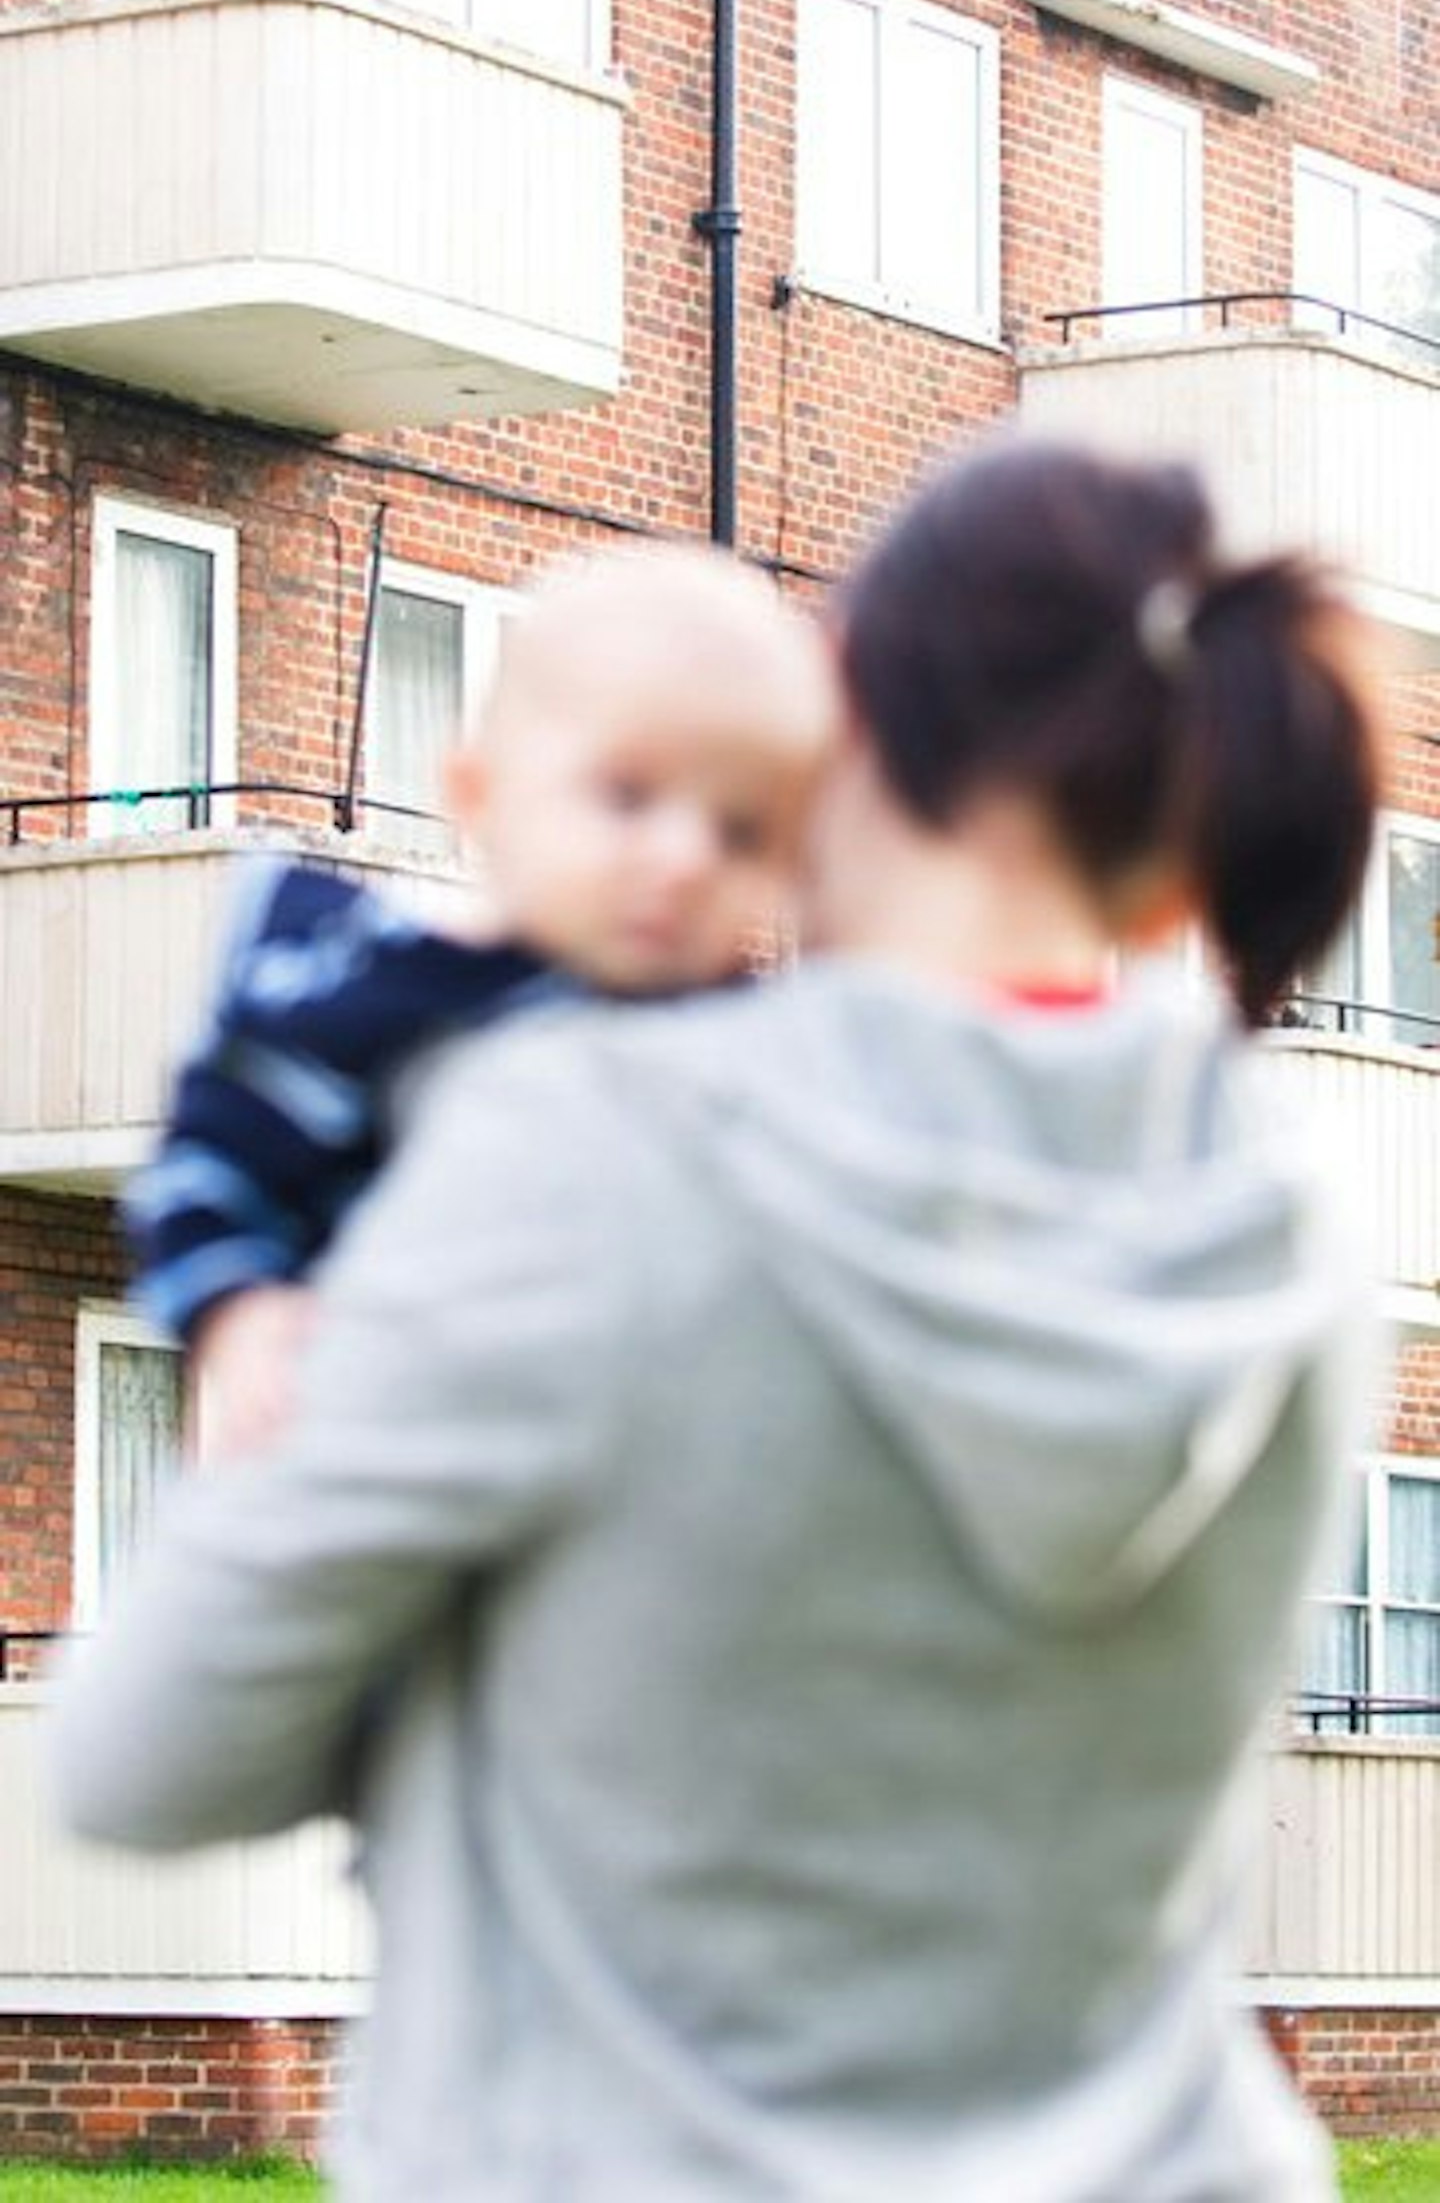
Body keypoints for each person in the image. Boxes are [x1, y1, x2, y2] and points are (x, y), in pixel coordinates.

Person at [55, 438, 1382, 2200]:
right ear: (1170, 858)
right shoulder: (1287, 1214)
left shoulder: (583, 1140)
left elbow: (145, 1755)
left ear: (844, 729)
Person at [124, 539, 836, 1452]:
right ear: (478, 795)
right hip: (372, 1434)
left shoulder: (738, 1042)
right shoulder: (354, 987)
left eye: (742, 833)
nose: (685, 858)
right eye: (627, 796)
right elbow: (206, 1173)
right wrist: (240, 1314)